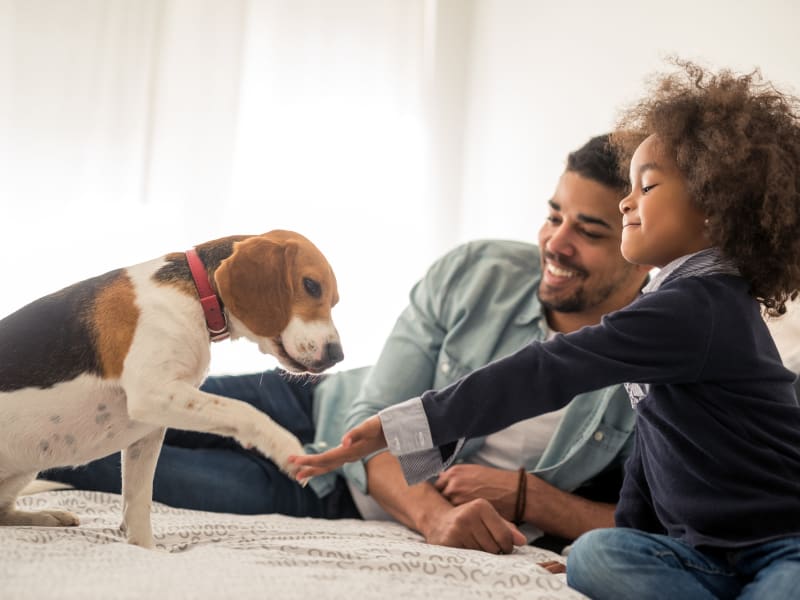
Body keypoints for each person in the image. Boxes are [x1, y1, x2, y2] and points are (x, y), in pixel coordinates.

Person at [291, 60, 800, 599]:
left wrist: (411, 426)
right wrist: (629, 536)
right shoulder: (669, 301)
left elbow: (549, 369)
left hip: (781, 541)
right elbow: (656, 449)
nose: (628, 200)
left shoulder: (701, 307)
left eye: (646, 187)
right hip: (703, 554)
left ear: (714, 211)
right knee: (594, 556)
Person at [41, 133, 651, 553]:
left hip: (323, 493)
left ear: (638, 241)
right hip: (312, 404)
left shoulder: (661, 359)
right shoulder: (477, 272)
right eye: (553, 215)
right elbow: (375, 418)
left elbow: (666, 522)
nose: (555, 243)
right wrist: (437, 519)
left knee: (83, 457)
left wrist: (534, 500)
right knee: (101, 401)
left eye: (589, 230)